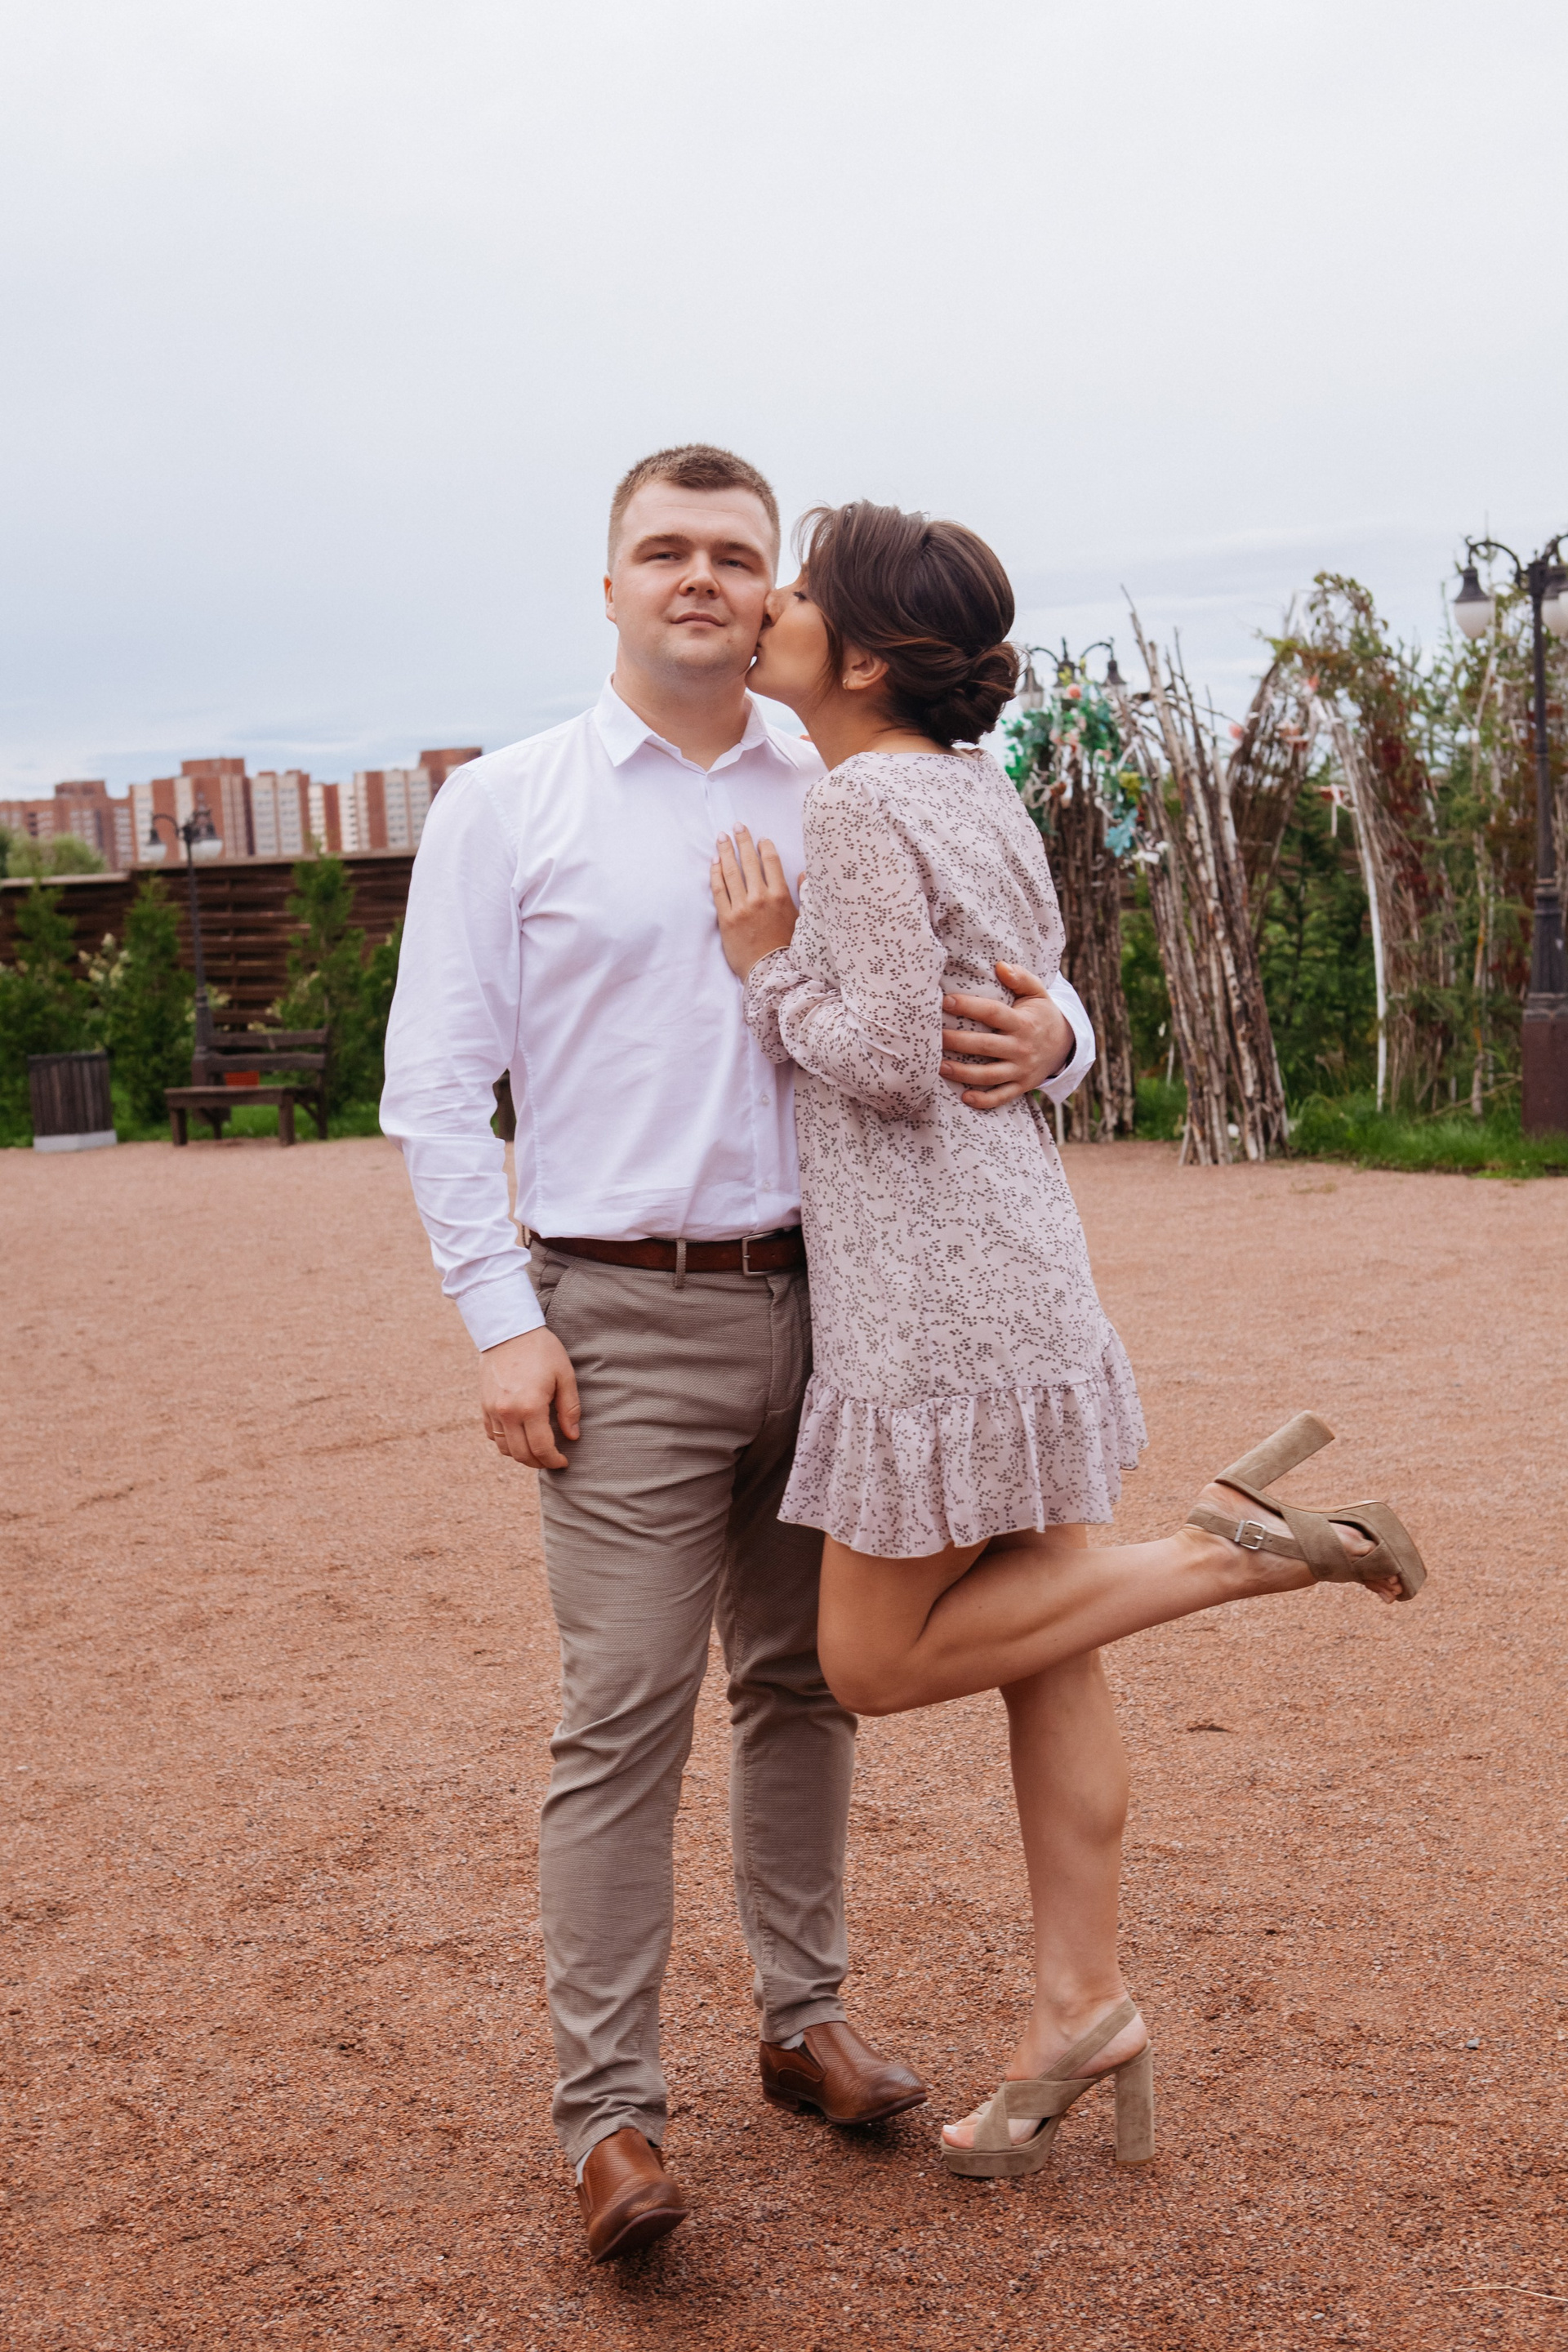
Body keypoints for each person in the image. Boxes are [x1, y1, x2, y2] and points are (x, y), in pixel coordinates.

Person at [380, 446, 1098, 2260]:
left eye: (733, 554)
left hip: (845, 1309)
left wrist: (1065, 1041)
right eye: (663, 550)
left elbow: (1005, 950)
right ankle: (610, 2119)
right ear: (610, 583)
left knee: (804, 1687)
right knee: (623, 1712)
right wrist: (501, 1323)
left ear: (780, 594)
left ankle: (805, 2020)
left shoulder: (842, 772)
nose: (700, 577)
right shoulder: (510, 804)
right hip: (616, 1312)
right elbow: (435, 1090)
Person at [710, 499, 1428, 2181]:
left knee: (869, 1663)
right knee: (1050, 1644)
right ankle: (1078, 2004)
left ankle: (1236, 1553)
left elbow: (890, 1059)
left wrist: (764, 967)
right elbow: (1020, 1002)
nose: (772, 607)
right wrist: (1064, 1036)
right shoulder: (976, 787)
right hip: (1015, 1250)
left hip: (936, 1288)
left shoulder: (857, 799)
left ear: (862, 659)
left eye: (798, 590)